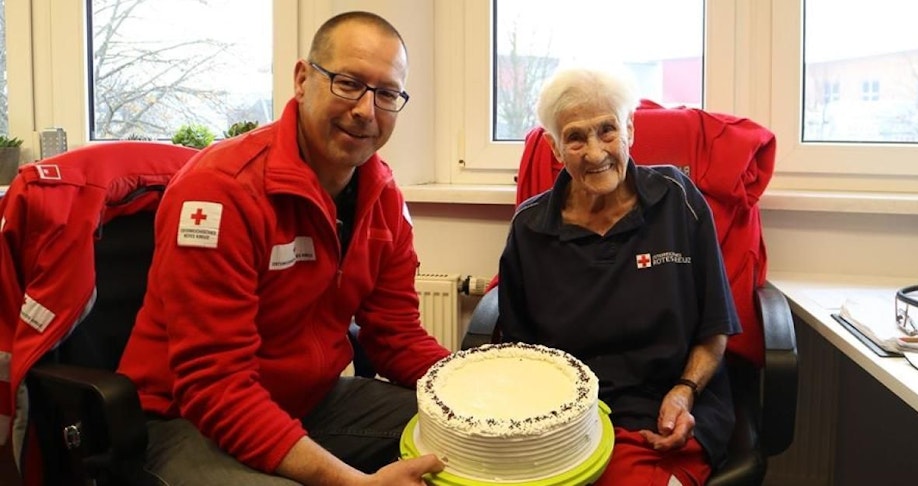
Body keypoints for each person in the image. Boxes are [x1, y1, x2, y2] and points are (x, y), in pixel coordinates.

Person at [117, 11, 448, 485]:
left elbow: (396, 336)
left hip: (305, 403)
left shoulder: (385, 200)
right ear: (302, 79)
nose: (366, 110)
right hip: (184, 421)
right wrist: (350, 482)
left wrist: (477, 387)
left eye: (387, 93)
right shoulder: (220, 191)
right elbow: (216, 387)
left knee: (464, 436)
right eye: (348, 83)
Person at [497, 66, 740, 485]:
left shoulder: (679, 200)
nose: (595, 153)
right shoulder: (530, 227)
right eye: (575, 137)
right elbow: (520, 355)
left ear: (630, 129)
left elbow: (714, 328)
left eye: (607, 130)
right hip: (570, 420)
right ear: (556, 149)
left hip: (668, 409)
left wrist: (685, 391)